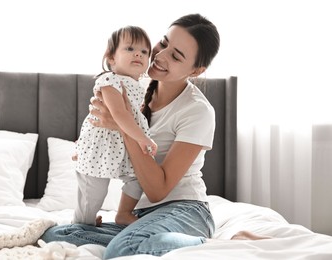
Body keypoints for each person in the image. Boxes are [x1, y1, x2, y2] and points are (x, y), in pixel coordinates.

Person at [41, 13, 268, 259]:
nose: (159, 55)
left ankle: (223, 244)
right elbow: (110, 142)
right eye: (163, 43)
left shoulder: (198, 111)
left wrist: (122, 126)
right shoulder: (134, 85)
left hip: (183, 210)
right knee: (56, 234)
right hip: (139, 217)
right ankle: (149, 240)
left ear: (196, 70)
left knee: (123, 249)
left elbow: (157, 190)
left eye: (176, 55)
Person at [74, 25, 158, 227]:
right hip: (101, 149)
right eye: (129, 49)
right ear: (111, 58)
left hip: (122, 148)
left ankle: (123, 212)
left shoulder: (139, 87)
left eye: (144, 51)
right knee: (93, 193)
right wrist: (143, 138)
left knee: (139, 178)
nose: (138, 53)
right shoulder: (110, 80)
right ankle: (82, 223)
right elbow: (120, 115)